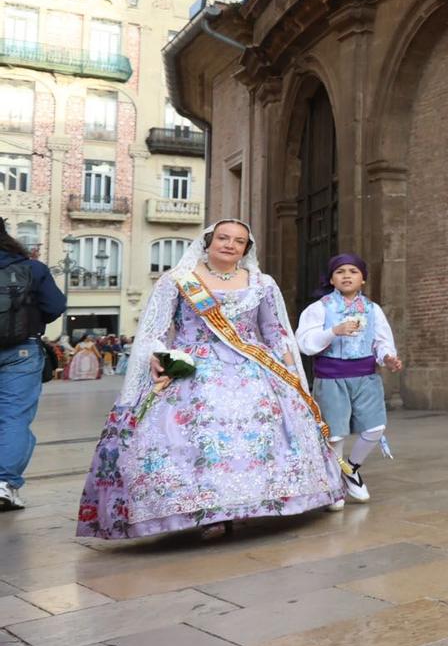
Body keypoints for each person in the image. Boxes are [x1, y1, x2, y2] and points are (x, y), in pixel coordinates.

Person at [77, 220, 344, 541]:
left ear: (247, 248)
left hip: (254, 369)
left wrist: (291, 377)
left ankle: (261, 501)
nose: (230, 245)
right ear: (208, 242)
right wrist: (156, 355)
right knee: (193, 436)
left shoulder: (262, 283)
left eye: (239, 241)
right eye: (223, 238)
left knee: (265, 432)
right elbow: (153, 331)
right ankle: (205, 511)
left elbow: (276, 333)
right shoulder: (177, 281)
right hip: (192, 370)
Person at [296, 254, 404, 503]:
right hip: (331, 378)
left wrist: (388, 357)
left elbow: (381, 341)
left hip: (366, 378)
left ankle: (351, 469)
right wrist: (333, 331)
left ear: (363, 279)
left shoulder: (372, 309)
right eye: (340, 271)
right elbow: (304, 342)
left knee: (375, 428)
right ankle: (334, 486)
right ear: (332, 279)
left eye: (353, 271)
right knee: (335, 435)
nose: (347, 275)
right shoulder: (319, 308)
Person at [0, 218, 66, 511]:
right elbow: (55, 306)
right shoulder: (32, 268)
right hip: (20, 353)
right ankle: (3, 484)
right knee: (14, 418)